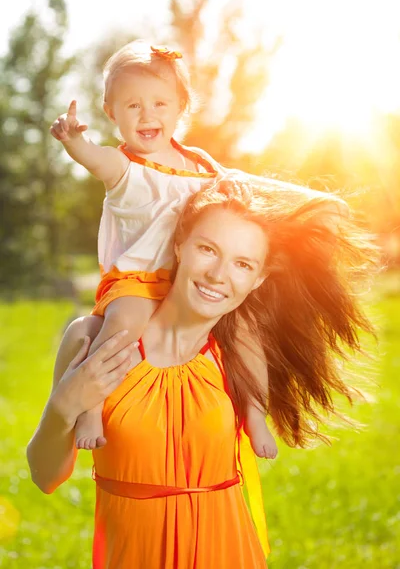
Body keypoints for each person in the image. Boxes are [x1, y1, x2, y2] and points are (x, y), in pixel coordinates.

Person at [27, 178, 377, 569]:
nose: (218, 275)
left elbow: (325, 213)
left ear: (258, 278)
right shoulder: (93, 338)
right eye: (208, 249)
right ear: (179, 245)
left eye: (243, 264)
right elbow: (46, 478)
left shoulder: (238, 353)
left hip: (229, 553)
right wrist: (63, 407)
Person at [49, 40, 347, 457]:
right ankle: (91, 408)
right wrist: (71, 139)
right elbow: (91, 157)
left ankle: (255, 412)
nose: (147, 115)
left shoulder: (201, 164)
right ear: (111, 112)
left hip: (193, 276)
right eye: (132, 106)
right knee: (122, 324)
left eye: (159, 104)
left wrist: (310, 202)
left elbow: (245, 184)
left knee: (246, 332)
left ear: (180, 107)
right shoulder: (124, 166)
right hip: (138, 278)